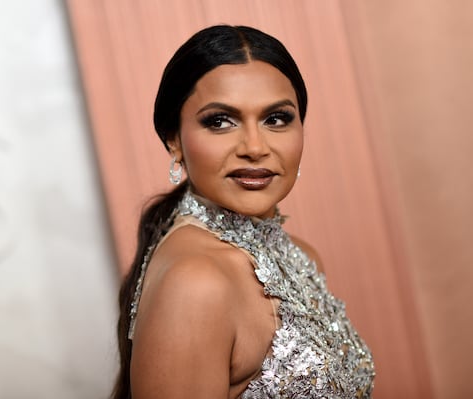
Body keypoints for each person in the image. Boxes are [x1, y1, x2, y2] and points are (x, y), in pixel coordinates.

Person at [111, 25, 375, 399]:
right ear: (174, 140)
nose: (254, 147)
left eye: (276, 119)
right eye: (220, 121)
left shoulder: (299, 256)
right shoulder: (196, 283)